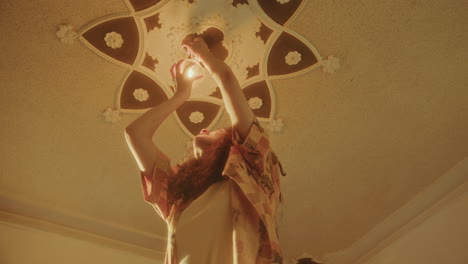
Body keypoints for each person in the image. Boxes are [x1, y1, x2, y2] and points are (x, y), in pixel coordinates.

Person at [124, 36, 286, 264]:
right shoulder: (177, 196)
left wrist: (205, 56)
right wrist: (180, 95)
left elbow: (228, 80)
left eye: (217, 129)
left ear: (232, 144)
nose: (203, 128)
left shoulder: (252, 168)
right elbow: (135, 133)